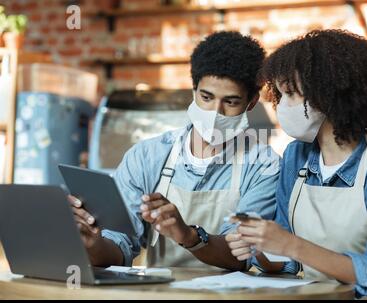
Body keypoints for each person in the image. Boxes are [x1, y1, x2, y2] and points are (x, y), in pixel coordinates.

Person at [226, 29, 367, 299]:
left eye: (291, 94)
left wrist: (292, 245)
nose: (281, 105)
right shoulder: (295, 156)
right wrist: (260, 247)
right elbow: (290, 264)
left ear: (328, 96)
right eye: (279, 94)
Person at [68, 31, 280, 270]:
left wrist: (188, 236)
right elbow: (119, 248)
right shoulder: (147, 157)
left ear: (251, 102)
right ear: (193, 91)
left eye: (230, 102)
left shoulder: (264, 166)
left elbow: (241, 253)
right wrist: (92, 243)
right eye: (206, 97)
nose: (215, 112)